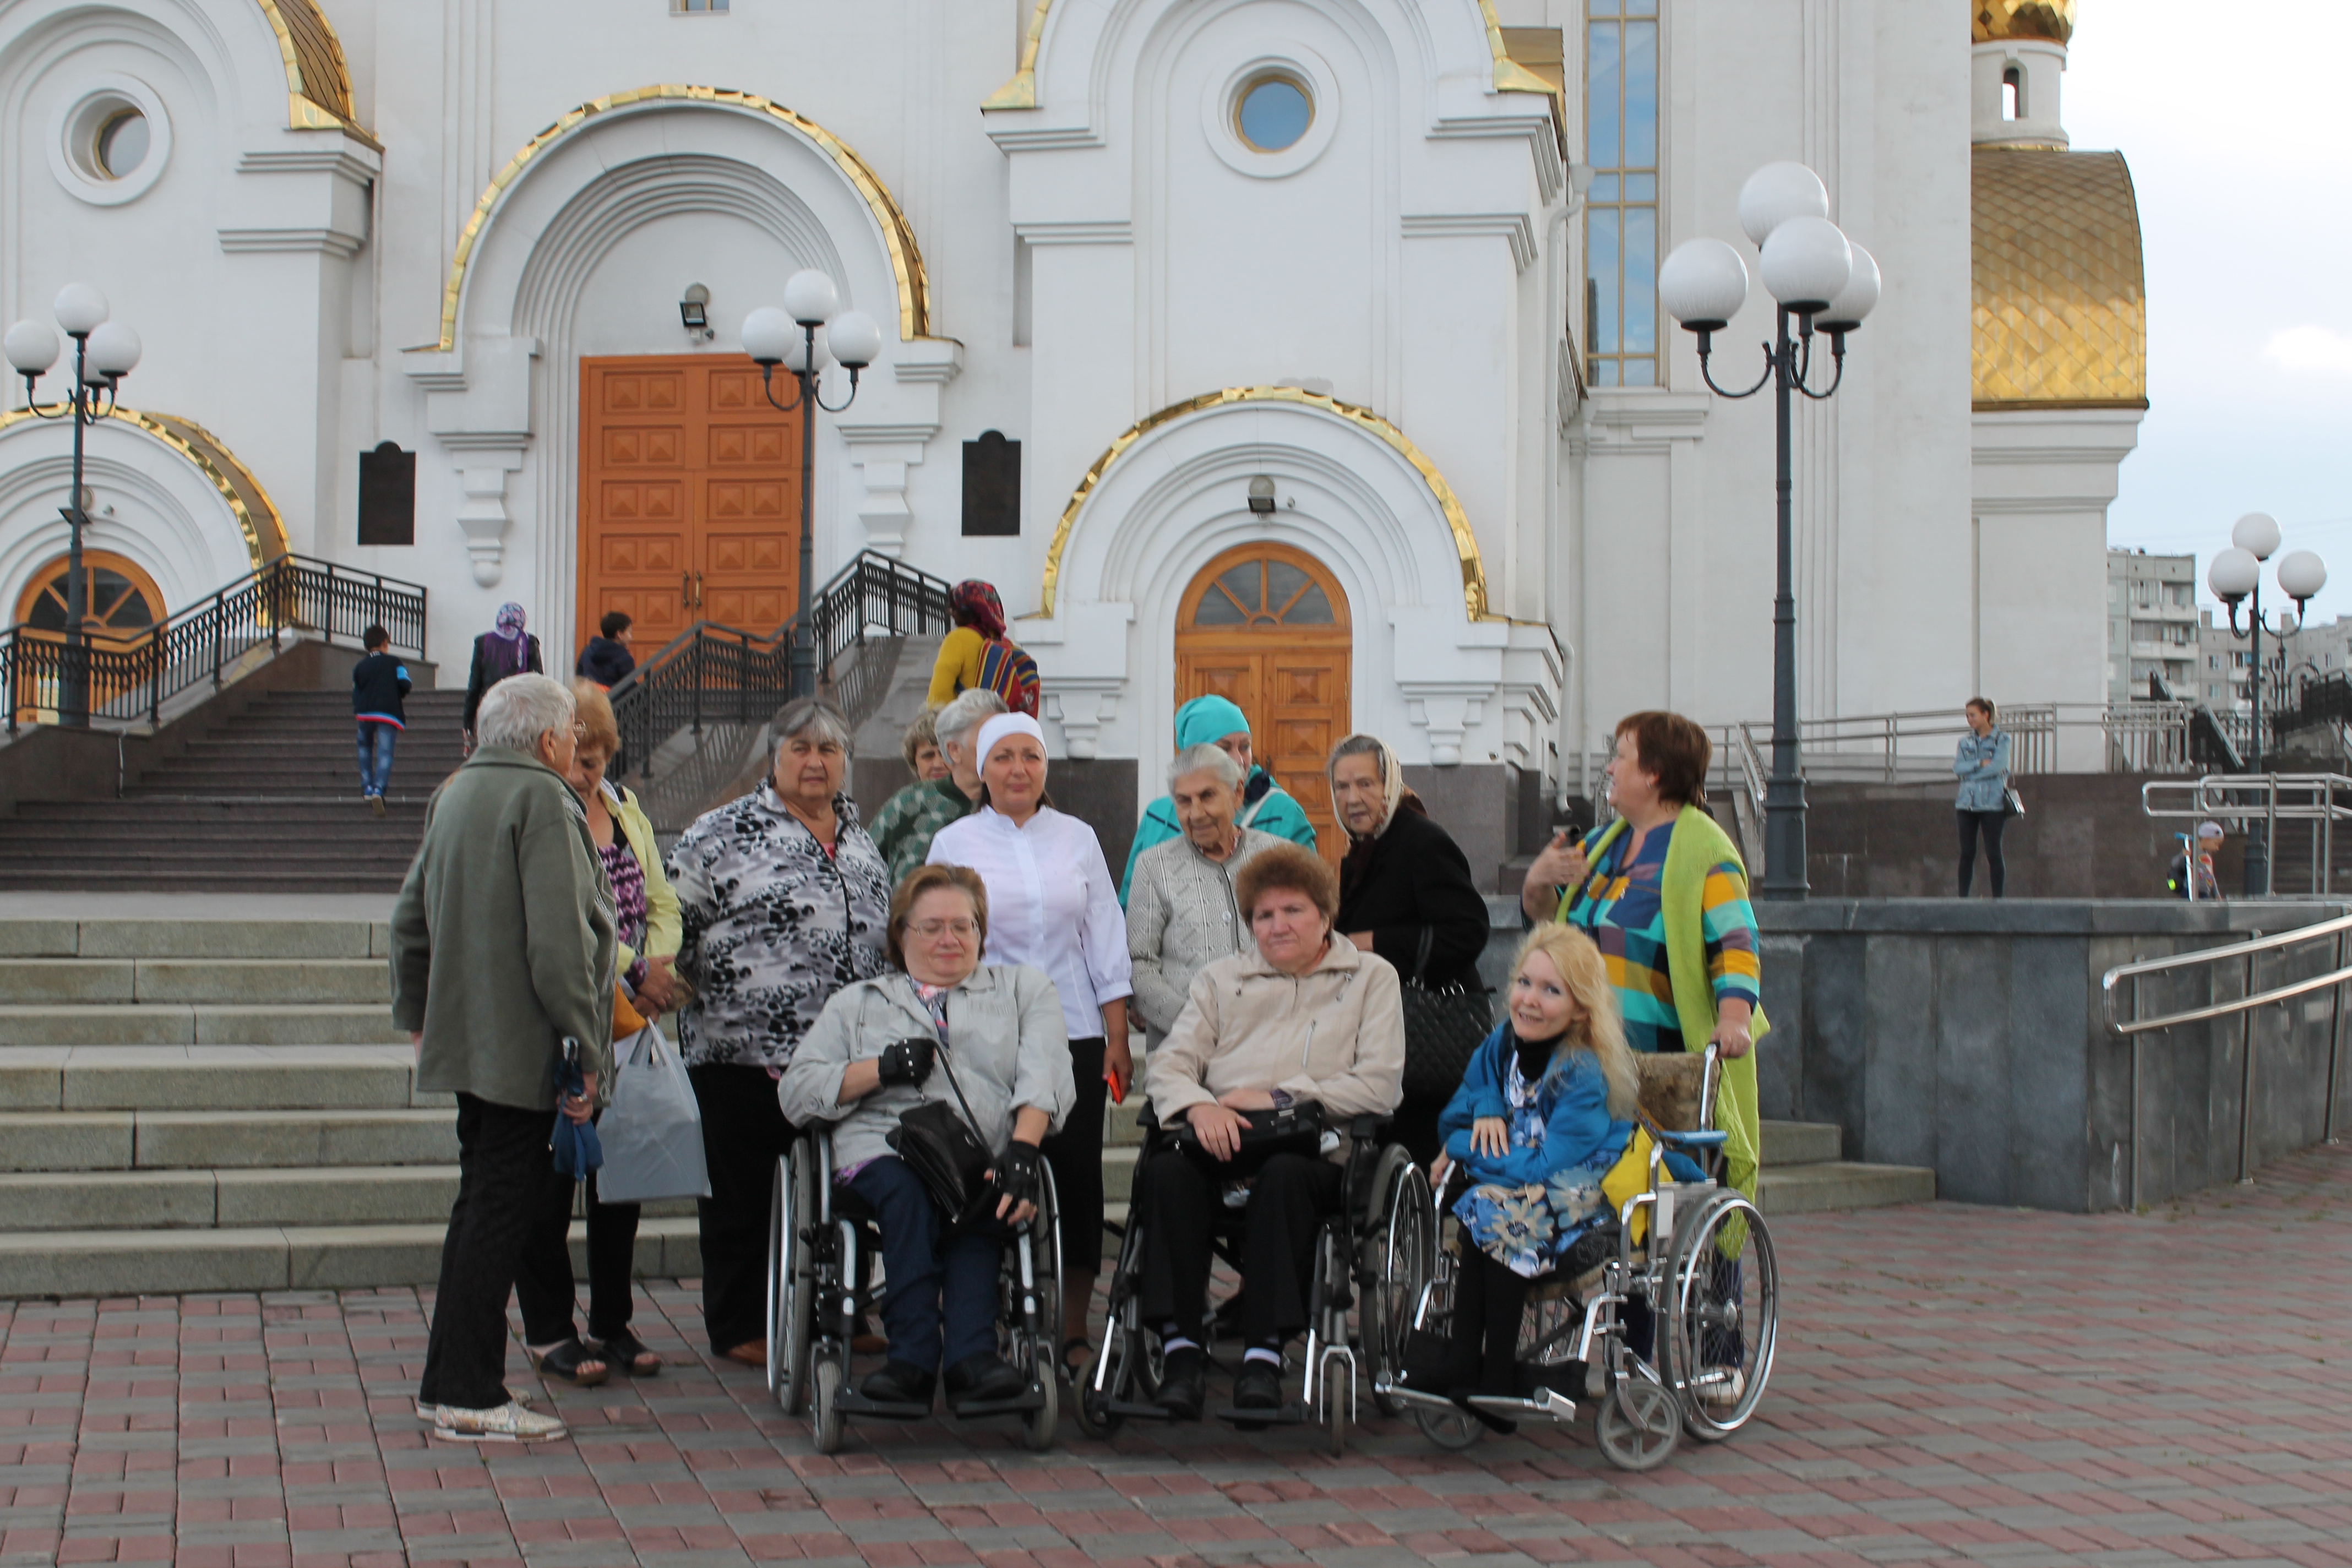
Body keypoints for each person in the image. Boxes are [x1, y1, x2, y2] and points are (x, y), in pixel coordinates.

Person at [391, 672, 614, 1443]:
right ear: (551, 739)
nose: (575, 744)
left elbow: (408, 919)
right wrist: (586, 1050)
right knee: (499, 1216)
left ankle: (447, 1380)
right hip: (523, 1046)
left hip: (468, 1038)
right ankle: (469, 1392)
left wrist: (418, 1016)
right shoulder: (543, 799)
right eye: (572, 732)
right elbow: (561, 946)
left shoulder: (456, 791)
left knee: (478, 1209)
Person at [778, 864, 1076, 1409]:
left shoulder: (1023, 990)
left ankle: (972, 1358)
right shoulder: (858, 1002)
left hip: (980, 1149)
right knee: (908, 1191)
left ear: (981, 932)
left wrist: (1024, 1148)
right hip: (881, 1149)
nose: (949, 939)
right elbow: (797, 1093)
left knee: (983, 1193)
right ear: (901, 934)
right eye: (932, 927)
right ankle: (911, 1357)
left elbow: (1046, 1070)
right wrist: (881, 1068)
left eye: (963, 926)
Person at [1135, 843, 1405, 1418]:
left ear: (1325, 917)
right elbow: (1170, 1064)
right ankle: (1180, 1352)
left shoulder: (1370, 978)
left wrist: (1284, 1097)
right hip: (1223, 1137)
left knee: (1284, 1177)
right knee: (1166, 1174)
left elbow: (1379, 1085)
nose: (1277, 926)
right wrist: (1198, 1108)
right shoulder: (1221, 979)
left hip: (1317, 1150)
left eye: (1293, 911)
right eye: (1264, 915)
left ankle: (1263, 1354)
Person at [667, 697, 891, 1365]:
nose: (815, 762)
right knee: (744, 1195)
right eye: (801, 748)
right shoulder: (720, 832)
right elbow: (673, 928)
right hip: (743, 1049)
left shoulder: (860, 838)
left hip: (844, 1056)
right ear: (775, 757)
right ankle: (741, 1323)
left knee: (845, 1187)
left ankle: (839, 1311)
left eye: (828, 749)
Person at [927, 711, 1130, 1373]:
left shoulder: (1078, 837)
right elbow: (935, 937)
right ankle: (978, 1315)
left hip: (1074, 1029)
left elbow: (1104, 933)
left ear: (1046, 767)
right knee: (988, 1169)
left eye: (1031, 757)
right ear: (980, 770)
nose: (1019, 769)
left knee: (1075, 1176)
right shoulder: (955, 841)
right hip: (986, 1030)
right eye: (1004, 757)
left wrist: (1117, 1033)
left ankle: (1073, 1326)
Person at [1520, 711, 1764, 1206]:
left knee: (1652, 1197)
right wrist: (1537, 882)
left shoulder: (1703, 851)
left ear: (1653, 773)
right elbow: (1553, 931)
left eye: (1621, 756)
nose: (1610, 768)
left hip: (1658, 1065)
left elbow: (1735, 945)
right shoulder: (1599, 847)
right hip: (1579, 1056)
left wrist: (1735, 1019)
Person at [1401, 925, 1638, 1428]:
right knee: (1489, 1205)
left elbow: (1541, 1167)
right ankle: (1472, 1364)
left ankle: (1488, 1371)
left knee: (1493, 1207)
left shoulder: (1582, 1073)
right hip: (1512, 1188)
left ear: (1581, 1011)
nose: (1530, 999)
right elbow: (1453, 1115)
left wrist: (1461, 1147)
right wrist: (1486, 1106)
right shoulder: (1500, 1045)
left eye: (1551, 991)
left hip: (1573, 1191)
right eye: (1525, 982)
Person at [513, 682, 682, 1386]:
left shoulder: (625, 809)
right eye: (579, 760)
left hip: (626, 1022)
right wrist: (630, 970)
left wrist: (658, 967)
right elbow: (567, 923)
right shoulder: (540, 814)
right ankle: (550, 1328)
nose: (588, 774)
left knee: (621, 1187)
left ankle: (612, 1321)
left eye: (599, 760)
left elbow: (661, 899)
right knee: (549, 1188)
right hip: (563, 1019)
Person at [1326, 732, 1493, 1161]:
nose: (1352, 798)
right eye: (1342, 787)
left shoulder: (1421, 841)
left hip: (1426, 1030)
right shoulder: (1365, 849)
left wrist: (1372, 942)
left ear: (1391, 785)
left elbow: (1468, 930)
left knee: (1417, 1157)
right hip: (1385, 1034)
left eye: (1365, 784)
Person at [1125, 743, 1283, 1035]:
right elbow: (1139, 963)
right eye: (1184, 801)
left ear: (1237, 793)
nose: (1196, 814)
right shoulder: (1154, 866)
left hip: (1270, 1036)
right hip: (1184, 1042)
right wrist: (1194, 1024)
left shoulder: (1277, 856)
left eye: (1208, 796)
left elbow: (1306, 947)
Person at [1119, 695, 1319, 902]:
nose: (1239, 760)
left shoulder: (1282, 812)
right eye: (1224, 749)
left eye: (1245, 747)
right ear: (1194, 756)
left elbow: (1307, 897)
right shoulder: (1158, 815)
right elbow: (1132, 898)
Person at [868, 689, 1006, 884]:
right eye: (928, 756)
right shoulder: (908, 803)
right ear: (955, 750)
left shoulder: (1010, 807)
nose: (938, 764)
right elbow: (863, 864)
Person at [927, 579, 1039, 716]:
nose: (951, 612)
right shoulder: (1005, 644)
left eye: (954, 607)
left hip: (969, 724)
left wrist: (937, 722)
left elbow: (939, 695)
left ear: (963, 610)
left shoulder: (958, 638)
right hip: (1000, 723)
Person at [462, 602, 543, 743]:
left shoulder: (483, 642)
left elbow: (474, 685)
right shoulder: (529, 642)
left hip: (491, 709)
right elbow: (537, 683)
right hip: (520, 711)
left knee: (492, 748)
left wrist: (468, 723)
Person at [1954, 696, 2011, 898]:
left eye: (1973, 715)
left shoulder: (2002, 739)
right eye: (1967, 716)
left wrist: (1970, 775)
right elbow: (1957, 768)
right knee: (1967, 853)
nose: (1970, 720)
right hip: (1966, 804)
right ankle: (1963, 898)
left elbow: (1998, 767)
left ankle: (1998, 899)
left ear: (1986, 715)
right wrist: (1978, 764)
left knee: (1993, 852)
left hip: (1992, 804)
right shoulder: (1965, 742)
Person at [352, 625, 410, 816]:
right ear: (385, 643)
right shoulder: (395, 662)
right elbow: (405, 683)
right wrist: (397, 693)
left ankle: (367, 787)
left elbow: (356, 691)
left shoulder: (360, 666)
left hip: (365, 714)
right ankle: (379, 789)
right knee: (385, 753)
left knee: (364, 747)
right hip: (387, 712)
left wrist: (359, 707)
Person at [576, 611, 636, 689]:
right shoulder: (624, 658)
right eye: (629, 632)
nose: (631, 638)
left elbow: (579, 678)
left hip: (589, 695)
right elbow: (631, 688)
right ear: (619, 635)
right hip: (612, 696)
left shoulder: (587, 651)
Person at [2169, 820, 2225, 901]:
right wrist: (2182, 856)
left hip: (2205, 892)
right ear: (2206, 839)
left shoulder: (2208, 857)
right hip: (2190, 891)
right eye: (2216, 844)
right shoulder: (2192, 852)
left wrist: (2216, 894)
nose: (2217, 848)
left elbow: (2211, 876)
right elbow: (2174, 863)